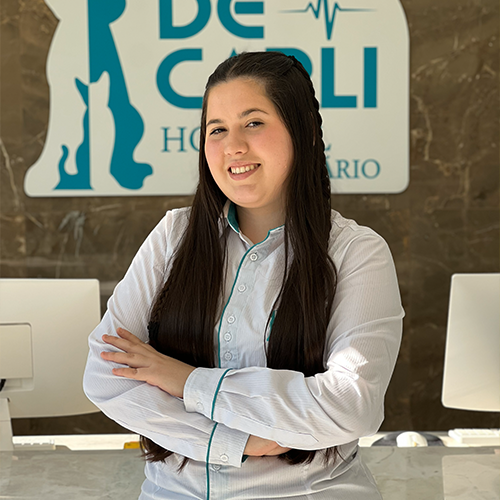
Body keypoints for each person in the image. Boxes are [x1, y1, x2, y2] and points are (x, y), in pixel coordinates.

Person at [83, 51, 404, 500]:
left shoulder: (356, 252)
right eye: (216, 129)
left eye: (253, 123)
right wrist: (233, 442)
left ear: (304, 132)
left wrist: (185, 380)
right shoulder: (173, 236)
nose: (233, 146)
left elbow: (351, 405)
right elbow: (107, 374)